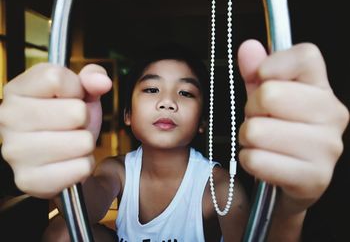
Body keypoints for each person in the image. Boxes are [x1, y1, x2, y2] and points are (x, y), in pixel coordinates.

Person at [0, 39, 348, 241]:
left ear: (200, 122)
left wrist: (289, 211)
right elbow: (80, 210)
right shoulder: (117, 170)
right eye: (151, 89)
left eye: (186, 92)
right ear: (128, 115)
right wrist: (64, 164)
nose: (167, 101)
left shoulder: (218, 187)